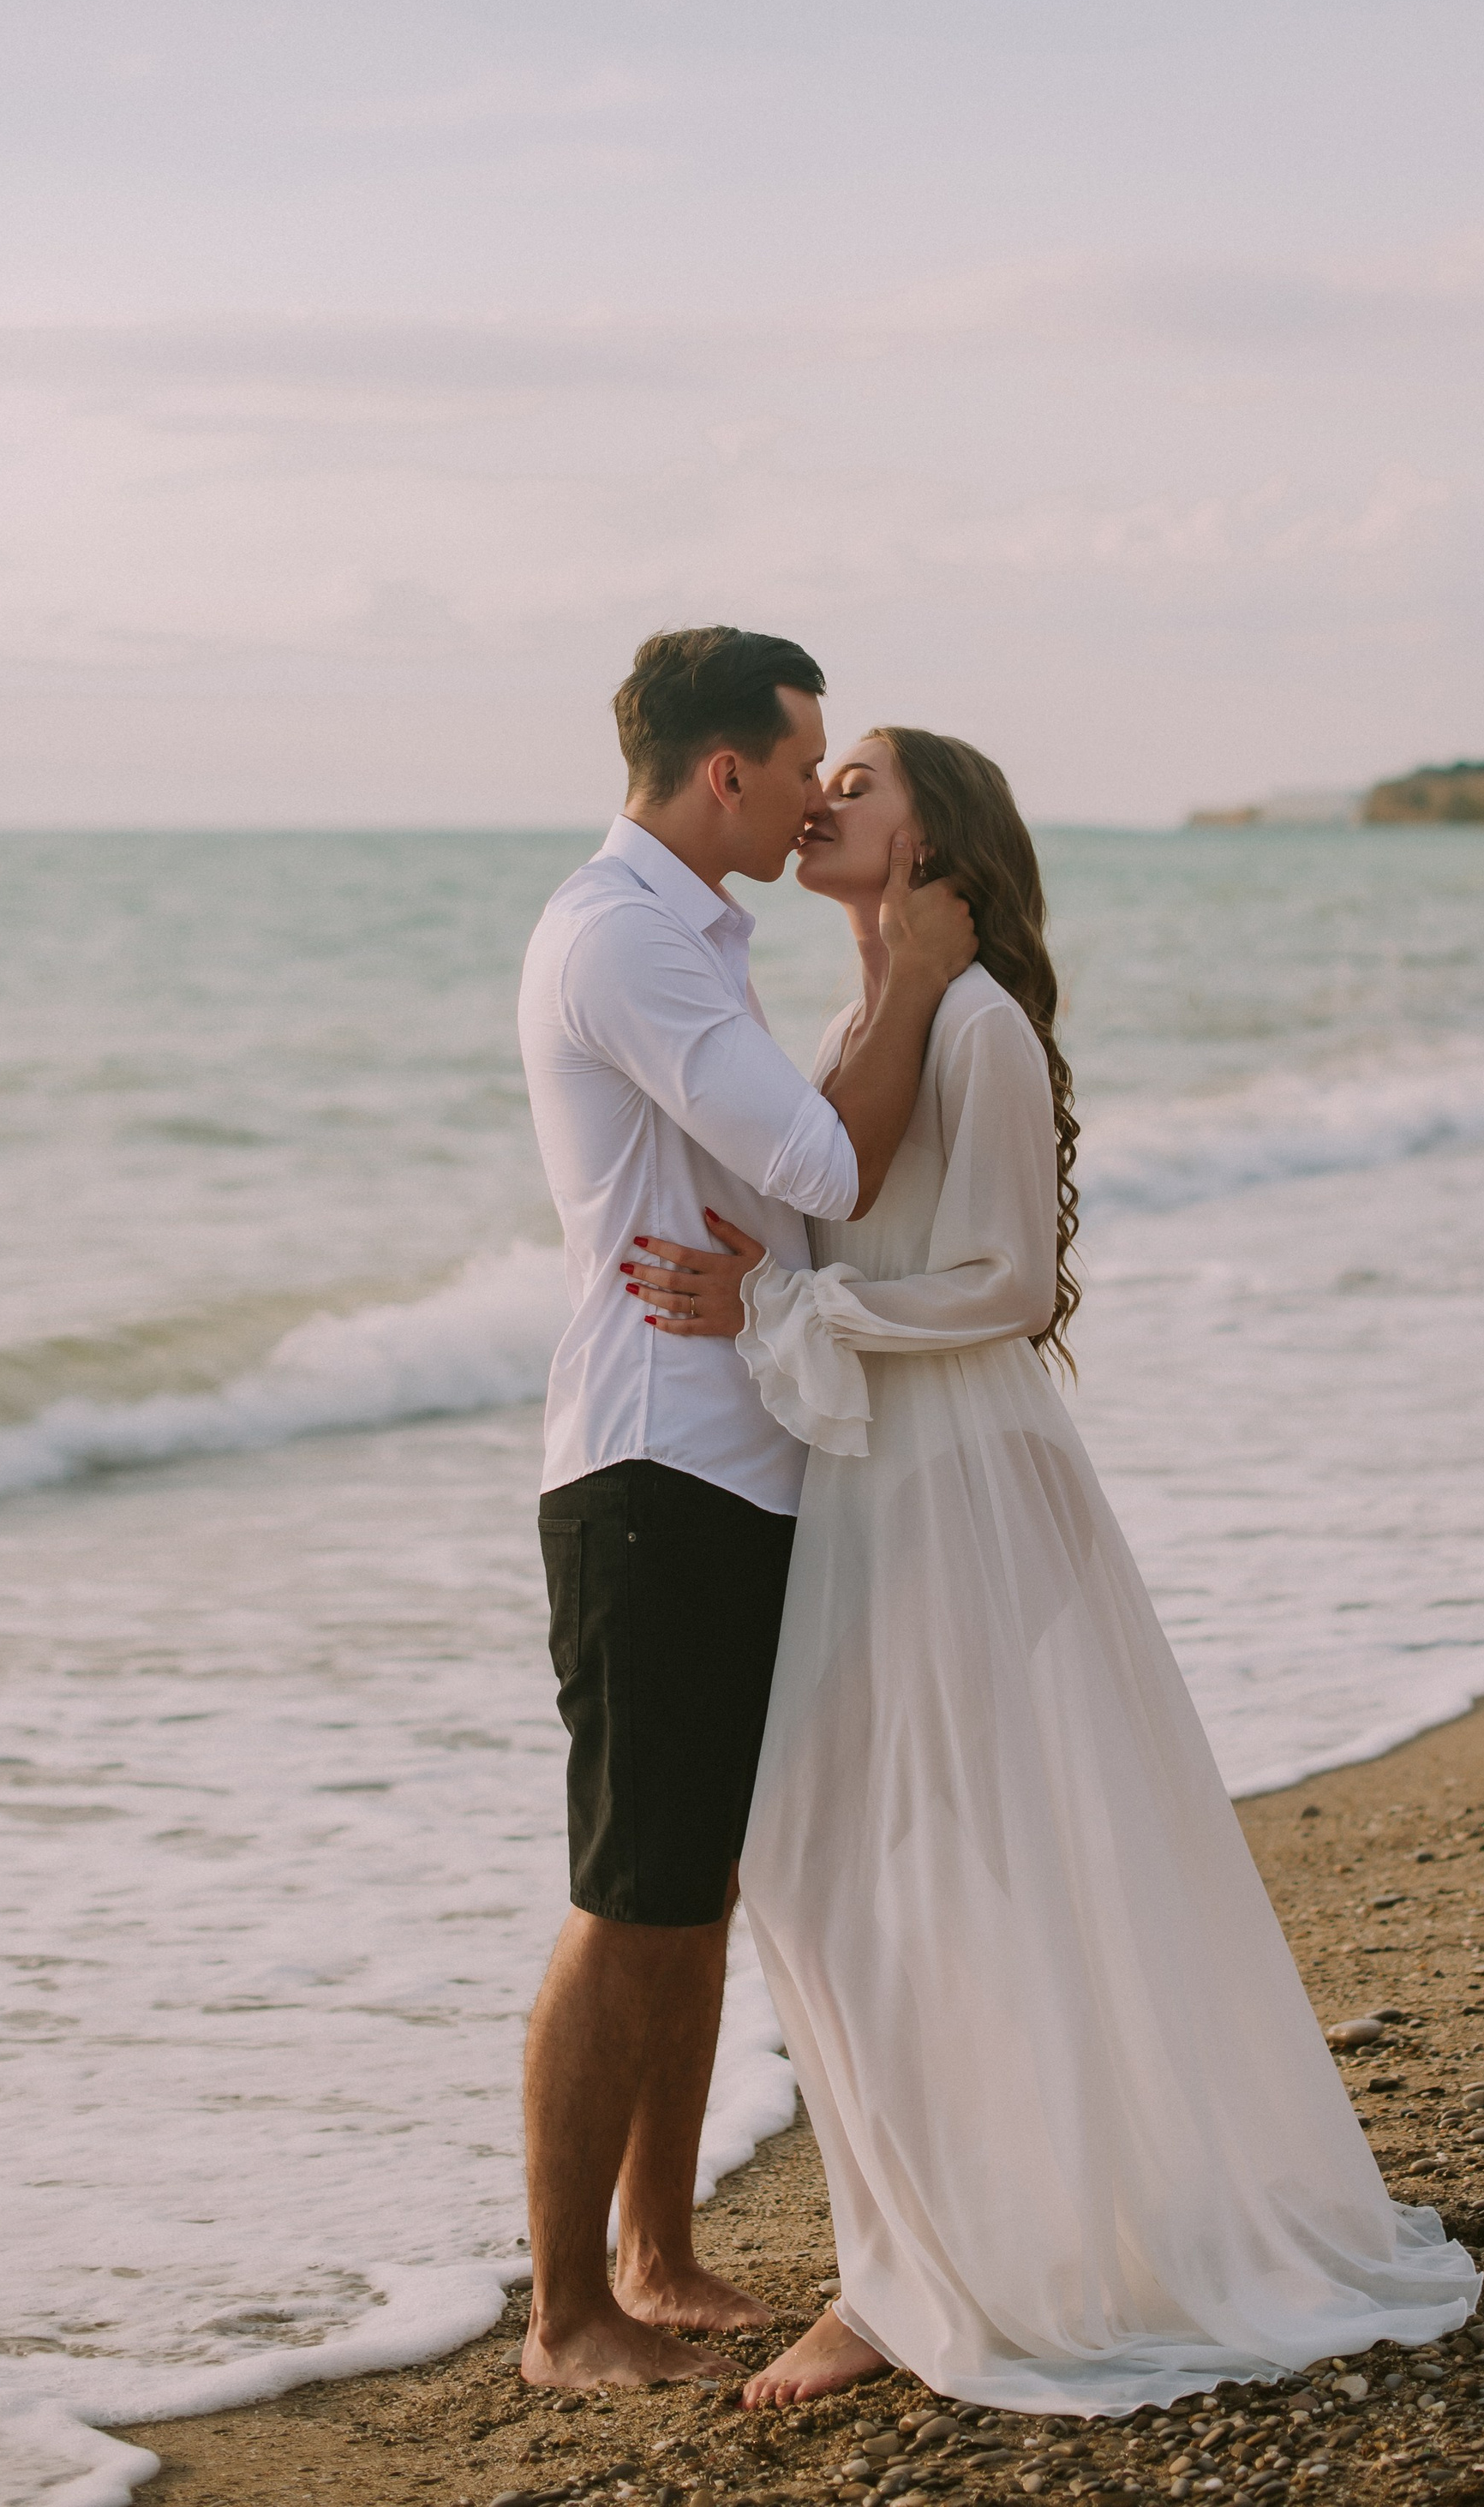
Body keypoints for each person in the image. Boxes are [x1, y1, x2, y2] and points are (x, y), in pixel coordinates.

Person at [624, 729, 1479, 2414]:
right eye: (826, 769)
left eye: (861, 780)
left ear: (938, 836)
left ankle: (918, 2273)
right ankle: (928, 2248)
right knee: (837, 1866)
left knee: (908, 1865)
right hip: (879, 1480)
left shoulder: (978, 1021)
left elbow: (1009, 1282)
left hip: (964, 1484)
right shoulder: (871, 1015)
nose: (827, 797)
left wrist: (786, 1309)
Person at [513, 635, 975, 2394]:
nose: (811, 798)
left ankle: (659, 2251)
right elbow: (823, 1164)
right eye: (798, 768)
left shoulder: (688, 929)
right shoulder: (624, 936)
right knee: (632, 1890)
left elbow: (779, 1198)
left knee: (690, 1882)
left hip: (727, 1446)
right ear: (723, 771)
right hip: (651, 1467)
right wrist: (915, 968)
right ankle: (567, 2314)